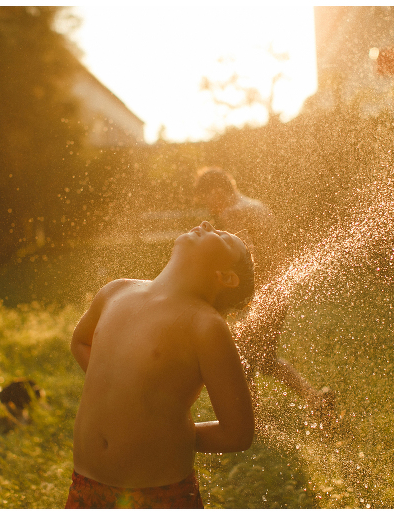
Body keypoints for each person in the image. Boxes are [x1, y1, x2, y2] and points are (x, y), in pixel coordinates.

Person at [65, 221, 255, 509]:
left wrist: (170, 435)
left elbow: (238, 433)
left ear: (226, 277)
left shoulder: (205, 325)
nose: (207, 224)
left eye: (224, 238)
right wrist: (123, 398)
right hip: (85, 485)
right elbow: (81, 342)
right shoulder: (115, 291)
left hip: (157, 494)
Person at [194, 167, 335, 426]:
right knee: (264, 359)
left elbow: (243, 260)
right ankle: (315, 400)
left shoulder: (233, 212)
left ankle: (252, 420)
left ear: (216, 190)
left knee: (242, 359)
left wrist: (231, 297)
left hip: (262, 294)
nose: (207, 205)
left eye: (206, 197)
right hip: (277, 291)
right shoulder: (254, 205)